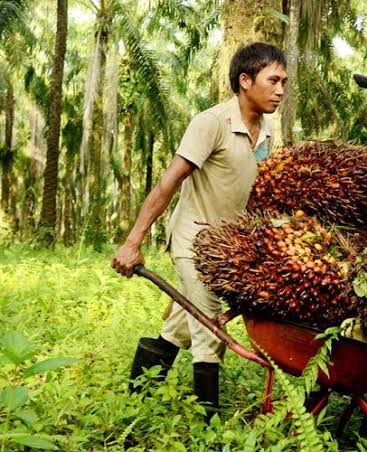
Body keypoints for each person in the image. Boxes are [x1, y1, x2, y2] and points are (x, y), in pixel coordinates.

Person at [112, 42, 287, 416]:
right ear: (245, 80)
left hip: (225, 246)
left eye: (283, 82)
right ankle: (207, 424)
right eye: (273, 80)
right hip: (193, 238)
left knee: (178, 325)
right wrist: (133, 242)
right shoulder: (212, 123)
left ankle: (136, 403)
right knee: (209, 327)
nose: (280, 90)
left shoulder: (268, 132)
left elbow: (257, 197)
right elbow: (168, 183)